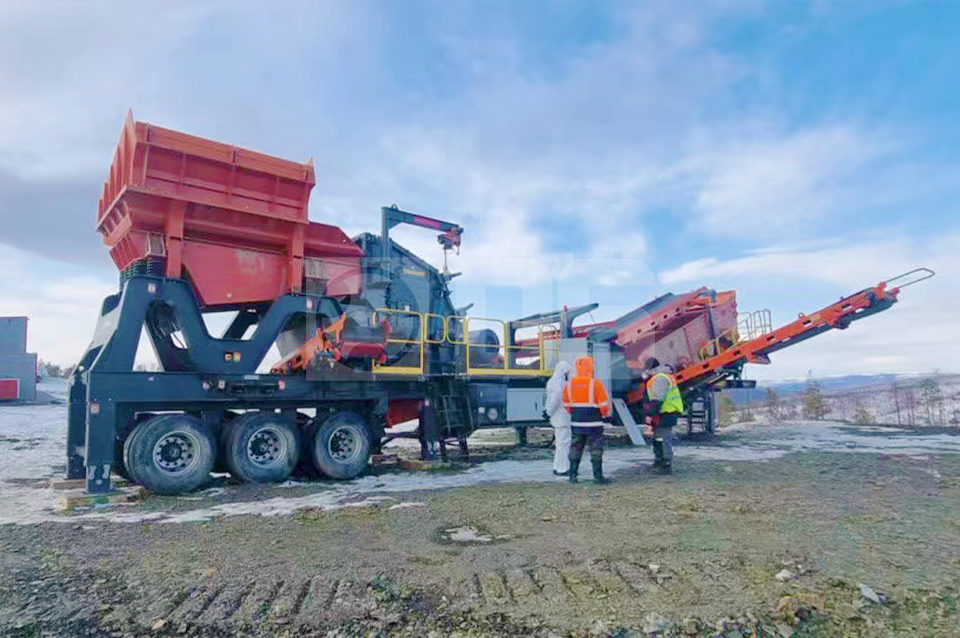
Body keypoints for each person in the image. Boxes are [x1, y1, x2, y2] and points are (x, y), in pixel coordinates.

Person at [562, 356, 612, 484]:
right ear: (590, 367)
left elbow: (566, 406)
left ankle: (573, 476)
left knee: (575, 447)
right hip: (594, 423)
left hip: (576, 422)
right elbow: (604, 406)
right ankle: (598, 477)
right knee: (596, 448)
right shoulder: (596, 384)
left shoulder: (569, 385)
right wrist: (605, 414)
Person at [641, 357, 684, 473]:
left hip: (665, 412)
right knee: (659, 437)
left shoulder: (660, 378)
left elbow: (658, 398)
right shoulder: (661, 376)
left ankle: (666, 463)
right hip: (663, 411)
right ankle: (660, 460)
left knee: (664, 438)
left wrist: (651, 413)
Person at [544, 361, 573, 476]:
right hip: (563, 417)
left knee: (561, 443)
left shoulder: (553, 381)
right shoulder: (559, 383)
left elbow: (552, 400)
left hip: (559, 417)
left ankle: (557, 467)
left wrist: (548, 411)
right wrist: (549, 411)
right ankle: (563, 469)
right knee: (564, 444)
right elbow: (556, 399)